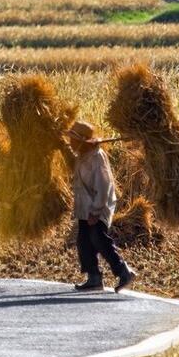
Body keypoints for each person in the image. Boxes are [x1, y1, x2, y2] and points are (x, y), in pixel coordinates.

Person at [67, 120, 136, 293]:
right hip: (85, 207)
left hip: (99, 205)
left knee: (98, 237)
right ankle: (94, 277)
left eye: (73, 140)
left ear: (81, 141)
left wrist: (96, 210)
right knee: (83, 241)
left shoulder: (97, 157)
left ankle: (123, 271)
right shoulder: (82, 156)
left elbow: (104, 185)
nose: (70, 142)